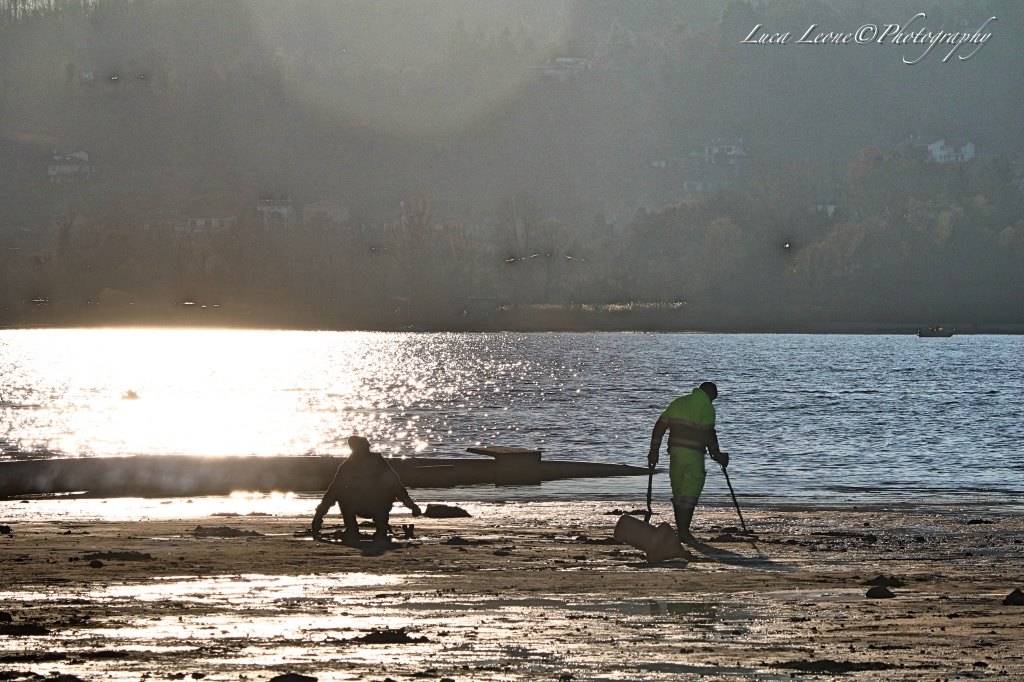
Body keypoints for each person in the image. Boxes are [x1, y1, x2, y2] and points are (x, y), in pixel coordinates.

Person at [648, 381, 728, 542]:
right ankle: (684, 532)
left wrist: (654, 451)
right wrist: (717, 455)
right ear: (710, 395)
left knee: (678, 491)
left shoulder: (679, 402)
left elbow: (660, 426)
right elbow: (708, 434)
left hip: (676, 454)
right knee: (690, 493)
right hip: (693, 456)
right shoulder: (707, 407)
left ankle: (682, 530)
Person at [311, 436, 421, 544]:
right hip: (371, 506)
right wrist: (412, 506)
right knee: (341, 494)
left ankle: (370, 529)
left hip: (375, 506)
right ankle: (364, 529)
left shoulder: (350, 465)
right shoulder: (357, 465)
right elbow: (397, 486)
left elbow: (332, 492)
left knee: (341, 494)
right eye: (365, 447)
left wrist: (318, 516)